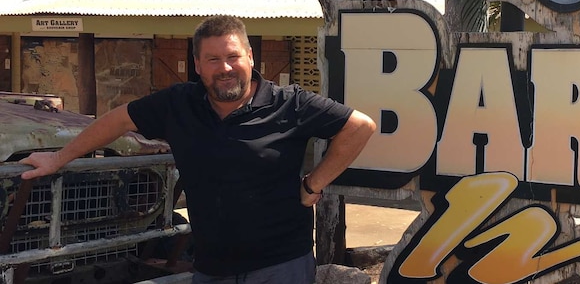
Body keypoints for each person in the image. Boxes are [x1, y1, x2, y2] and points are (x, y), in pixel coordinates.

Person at [20, 15, 376, 283]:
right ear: (197, 65)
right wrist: (59, 157)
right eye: (212, 59)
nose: (225, 68)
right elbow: (117, 121)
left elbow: (360, 126)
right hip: (210, 267)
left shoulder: (290, 103)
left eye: (233, 56)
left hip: (280, 265)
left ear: (250, 57)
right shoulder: (179, 103)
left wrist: (314, 183)